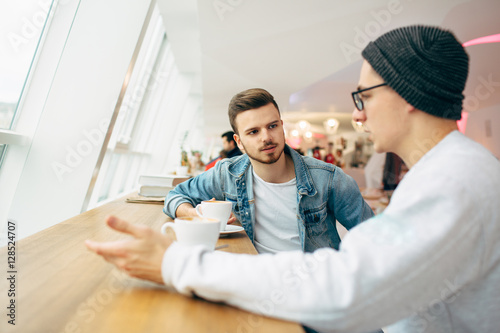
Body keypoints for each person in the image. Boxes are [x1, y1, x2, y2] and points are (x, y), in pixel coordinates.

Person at [86, 25, 500, 332]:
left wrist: (175, 262)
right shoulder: (448, 173)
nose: (357, 114)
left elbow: (344, 289)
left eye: (364, 96)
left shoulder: (454, 182)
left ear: (407, 93)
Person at [165, 88, 373, 253]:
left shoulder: (328, 178)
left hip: (314, 288)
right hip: (256, 283)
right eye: (254, 132)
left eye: (272, 126)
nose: (266, 137)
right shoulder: (227, 174)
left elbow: (375, 237)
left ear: (282, 126)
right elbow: (175, 197)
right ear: (239, 142)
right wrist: (197, 214)